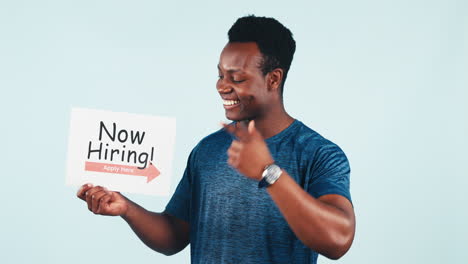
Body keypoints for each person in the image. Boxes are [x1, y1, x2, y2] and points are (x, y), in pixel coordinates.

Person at [77, 15, 355, 264]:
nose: (222, 86)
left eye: (236, 78)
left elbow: (337, 241)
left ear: (273, 79)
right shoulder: (207, 150)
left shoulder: (318, 153)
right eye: (221, 74)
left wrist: (268, 172)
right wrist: (127, 208)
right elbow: (174, 235)